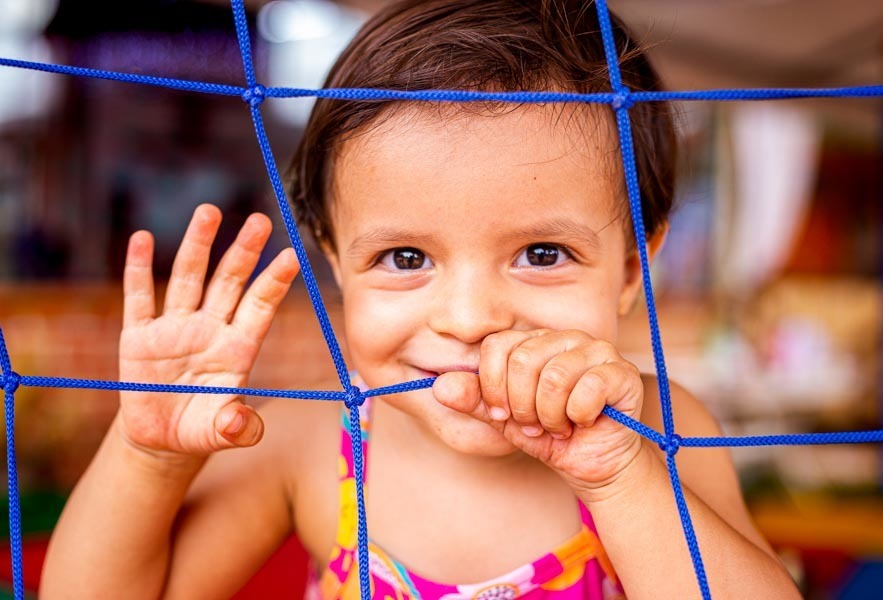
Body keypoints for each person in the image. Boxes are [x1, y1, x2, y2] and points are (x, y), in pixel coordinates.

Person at [41, 1, 800, 598]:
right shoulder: (320, 441)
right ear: (338, 265)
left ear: (632, 270)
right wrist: (147, 456)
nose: (468, 320)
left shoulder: (656, 426)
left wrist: (620, 472)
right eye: (405, 258)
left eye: (542, 254)